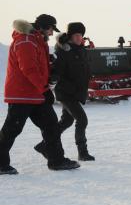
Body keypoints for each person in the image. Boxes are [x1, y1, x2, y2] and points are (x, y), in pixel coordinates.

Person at [0, 14, 80, 175]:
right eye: (51, 29)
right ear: (43, 27)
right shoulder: (26, 41)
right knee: (12, 129)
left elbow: (37, 66)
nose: (52, 34)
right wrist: (45, 88)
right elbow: (29, 69)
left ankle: (56, 161)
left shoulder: (36, 41)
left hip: (35, 94)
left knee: (51, 126)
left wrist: (50, 66)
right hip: (22, 95)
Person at [34, 22, 94, 161]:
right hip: (66, 93)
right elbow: (57, 73)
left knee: (66, 121)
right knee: (82, 119)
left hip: (75, 92)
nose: (80, 38)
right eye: (77, 35)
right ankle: (82, 152)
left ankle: (44, 145)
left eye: (81, 35)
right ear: (70, 36)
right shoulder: (63, 51)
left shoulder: (81, 50)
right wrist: (70, 87)